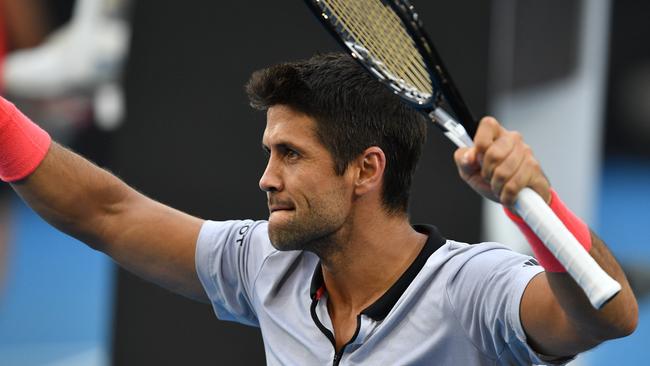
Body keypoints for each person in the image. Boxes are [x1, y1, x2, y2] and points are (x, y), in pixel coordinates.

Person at [0, 53, 638, 365]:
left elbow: (607, 315)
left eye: (290, 156)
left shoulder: (474, 290)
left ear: (366, 169)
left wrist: (539, 205)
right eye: (269, 152)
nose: (266, 178)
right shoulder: (264, 265)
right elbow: (106, 213)